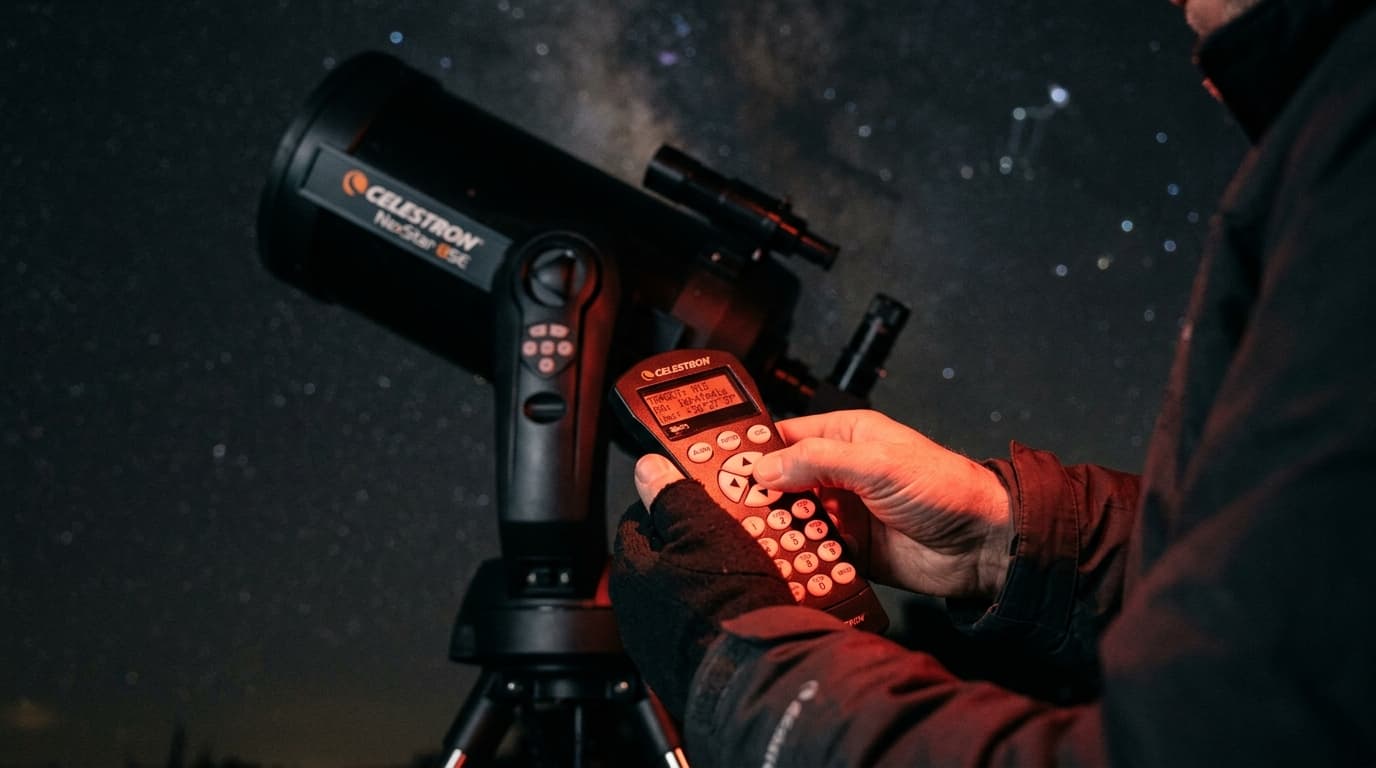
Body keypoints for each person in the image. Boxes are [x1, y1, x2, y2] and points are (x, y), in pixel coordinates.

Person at [609, 0, 1376, 765]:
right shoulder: (1331, 133)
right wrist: (1002, 539)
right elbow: (1299, 579)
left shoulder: (1354, 155)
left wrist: (740, 663)